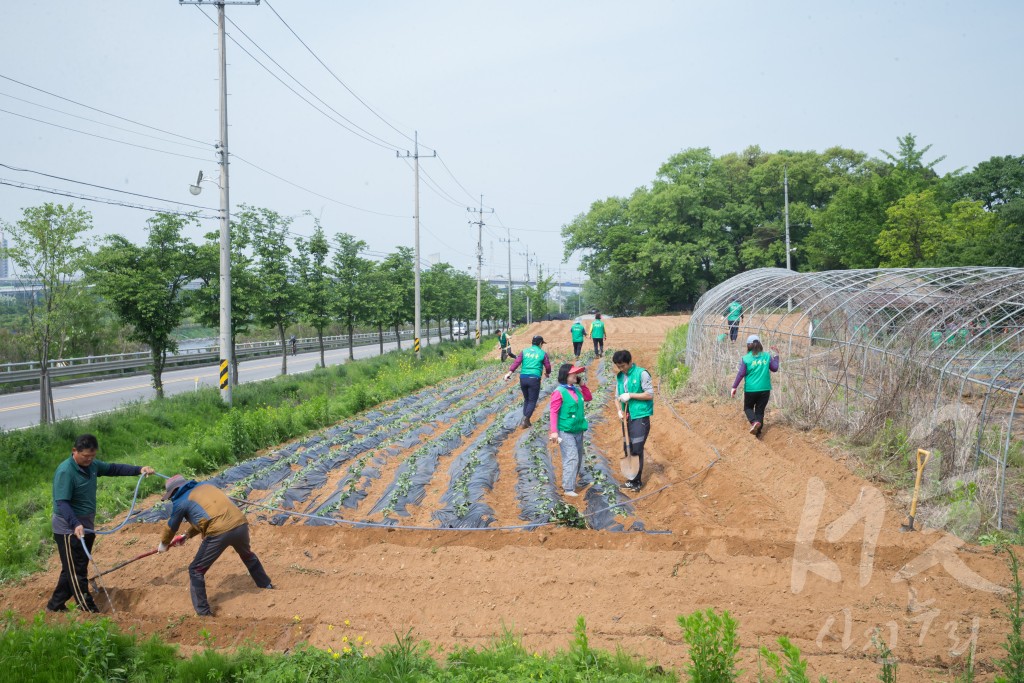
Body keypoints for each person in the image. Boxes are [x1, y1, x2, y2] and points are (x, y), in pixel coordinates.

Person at [47, 434, 155, 613]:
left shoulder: (93, 466)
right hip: (68, 529)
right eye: (86, 456)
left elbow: (113, 468)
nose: (89, 459)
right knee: (77, 573)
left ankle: (55, 605)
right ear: (75, 451)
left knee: (74, 567)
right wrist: (74, 524)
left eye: (93, 456)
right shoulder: (65, 471)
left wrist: (139, 469)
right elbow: (62, 502)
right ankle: (90, 612)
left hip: (86, 525)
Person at [157, 474, 273, 617]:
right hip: (240, 524)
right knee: (247, 554)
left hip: (219, 533)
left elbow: (171, 527)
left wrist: (163, 544)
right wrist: (186, 536)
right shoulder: (206, 486)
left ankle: (203, 613)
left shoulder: (180, 501)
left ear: (174, 492)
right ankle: (265, 584)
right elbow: (207, 516)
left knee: (195, 570)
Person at [549, 363, 593, 497]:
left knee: (578, 459)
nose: (576, 375)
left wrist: (582, 384)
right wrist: (554, 431)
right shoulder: (559, 392)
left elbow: (589, 398)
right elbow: (554, 412)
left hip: (578, 429)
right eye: (573, 373)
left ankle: (572, 482)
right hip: (565, 430)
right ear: (566, 376)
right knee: (571, 457)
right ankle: (568, 488)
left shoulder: (575, 390)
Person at [613, 350, 654, 491]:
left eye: (623, 366)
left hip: (640, 416)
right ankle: (631, 479)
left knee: (636, 448)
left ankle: (637, 481)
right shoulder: (620, 377)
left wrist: (631, 395)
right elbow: (617, 397)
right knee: (628, 448)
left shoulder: (642, 373)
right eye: (619, 367)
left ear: (630, 362)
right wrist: (619, 410)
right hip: (626, 417)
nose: (621, 369)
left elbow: (649, 394)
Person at [730, 334, 780, 436]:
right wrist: (776, 356)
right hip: (765, 389)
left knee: (748, 408)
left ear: (748, 346)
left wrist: (734, 387)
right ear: (759, 344)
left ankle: (754, 422)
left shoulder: (746, 358)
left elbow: (741, 374)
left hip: (751, 389)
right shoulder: (766, 356)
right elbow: (774, 368)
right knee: (760, 411)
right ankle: (758, 433)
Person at [504, 335, 551, 429]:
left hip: (523, 378)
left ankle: (526, 419)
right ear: (540, 343)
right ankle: (526, 418)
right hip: (534, 378)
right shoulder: (542, 353)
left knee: (527, 399)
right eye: (542, 344)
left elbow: (516, 362)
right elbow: (548, 366)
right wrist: (547, 373)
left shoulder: (524, 351)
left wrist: (509, 373)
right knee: (532, 400)